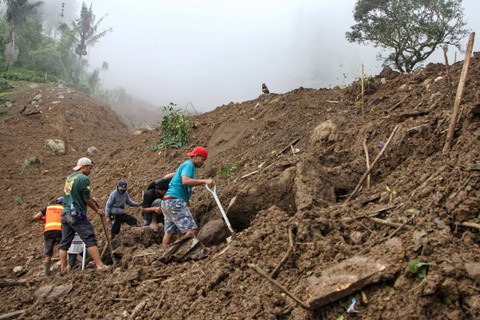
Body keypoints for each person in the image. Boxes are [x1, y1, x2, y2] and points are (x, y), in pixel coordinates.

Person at [58, 157, 108, 272]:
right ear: (84, 167)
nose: (90, 171)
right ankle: (100, 265)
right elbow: (86, 199)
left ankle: (63, 269)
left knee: (65, 242)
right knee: (89, 238)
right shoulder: (84, 179)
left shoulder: (70, 178)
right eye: (90, 168)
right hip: (76, 214)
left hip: (65, 213)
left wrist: (91, 197)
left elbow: (74, 194)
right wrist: (97, 210)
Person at [161, 146, 214, 245]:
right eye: (202, 159)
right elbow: (185, 181)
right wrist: (204, 181)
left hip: (167, 202)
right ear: (196, 156)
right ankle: (188, 252)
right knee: (191, 230)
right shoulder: (189, 165)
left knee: (169, 232)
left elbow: (181, 185)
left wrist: (187, 204)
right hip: (175, 202)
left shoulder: (186, 165)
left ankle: (164, 254)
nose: (203, 162)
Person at [33, 196, 64, 276]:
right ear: (63, 203)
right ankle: (63, 268)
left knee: (48, 253)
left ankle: (46, 273)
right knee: (63, 249)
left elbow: (36, 216)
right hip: (59, 231)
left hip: (48, 232)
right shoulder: (63, 209)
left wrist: (43, 220)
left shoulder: (48, 208)